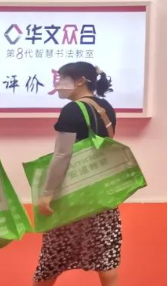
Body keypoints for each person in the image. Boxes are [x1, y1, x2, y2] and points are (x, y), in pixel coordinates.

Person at [34, 62, 119, 286]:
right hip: (101, 193)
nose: (58, 85)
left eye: (63, 79)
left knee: (52, 258)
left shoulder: (72, 110)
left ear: (80, 81)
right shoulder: (106, 107)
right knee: (106, 257)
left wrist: (47, 194)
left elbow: (62, 155)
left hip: (72, 194)